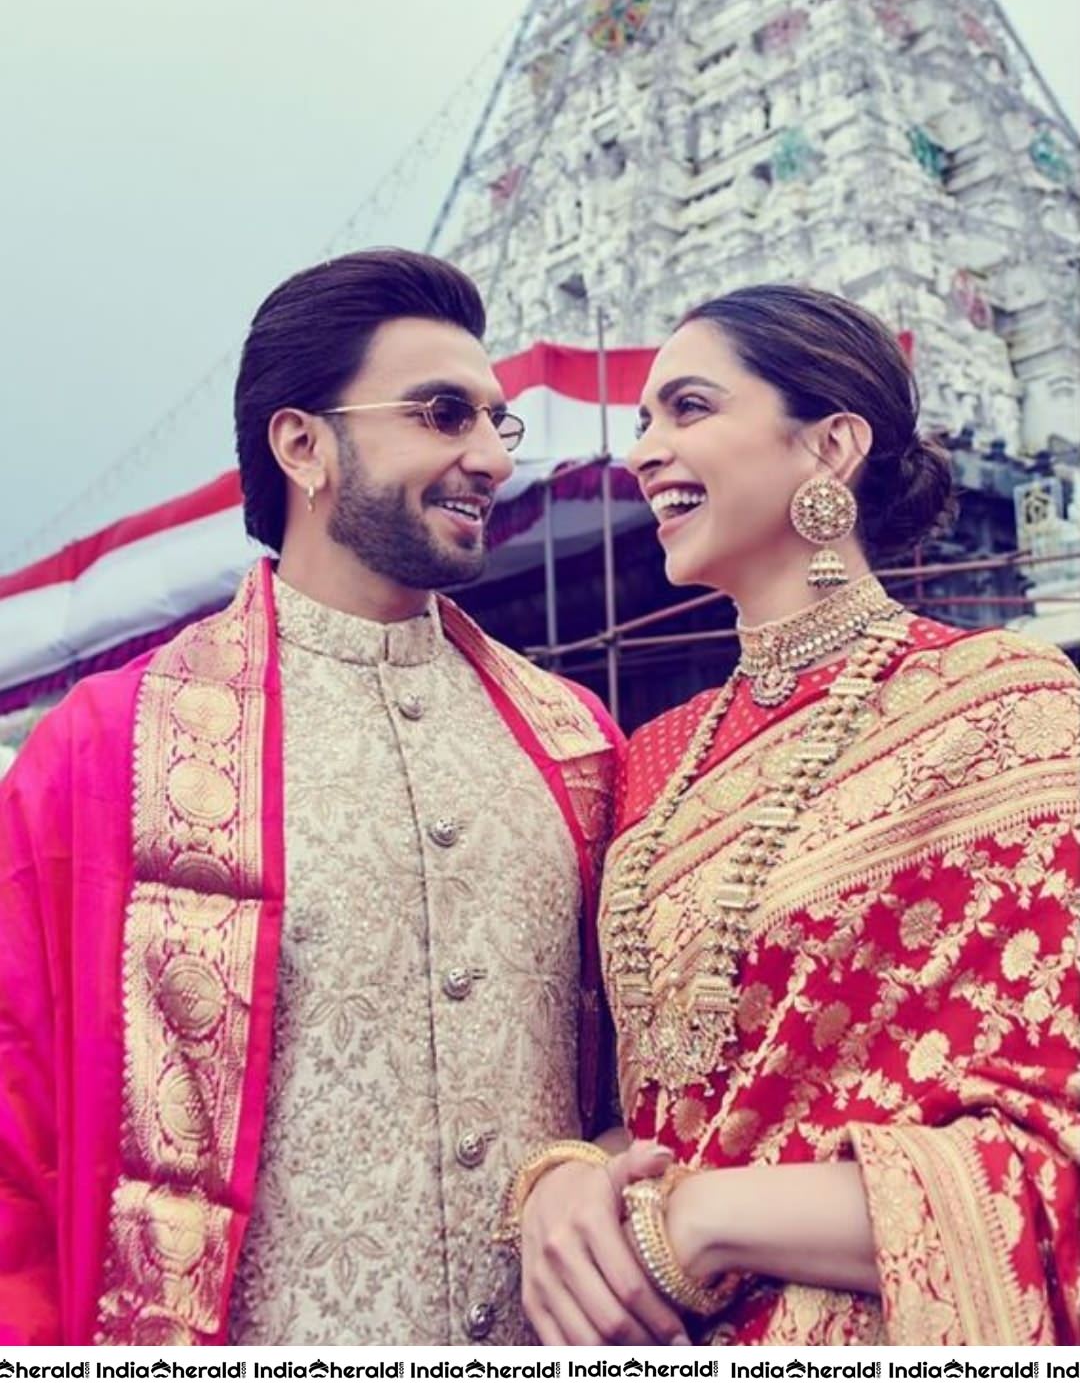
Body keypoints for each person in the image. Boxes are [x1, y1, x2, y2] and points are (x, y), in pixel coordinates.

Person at [0, 248, 681, 1347]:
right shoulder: (110, 748)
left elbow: (652, 1076)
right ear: (303, 444)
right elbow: (15, 1127)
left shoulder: (574, 744)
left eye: (495, 424)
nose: (488, 459)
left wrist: (594, 1165)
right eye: (441, 413)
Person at [513, 285, 1079, 1346]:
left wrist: (713, 1217)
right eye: (643, 423)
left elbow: (1057, 1156)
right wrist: (562, 1186)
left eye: (688, 408)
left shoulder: (1007, 705)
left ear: (831, 447)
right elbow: (625, 1099)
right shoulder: (646, 763)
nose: (646, 452)